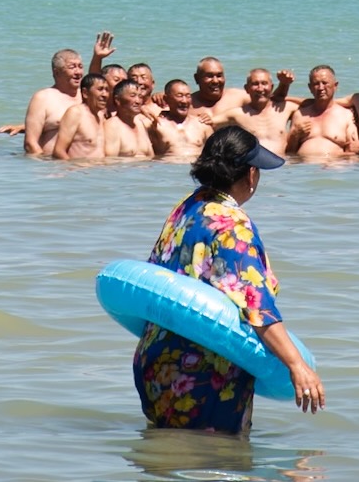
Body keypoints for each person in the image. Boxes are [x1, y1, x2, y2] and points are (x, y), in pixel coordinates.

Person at [133, 126, 324, 433]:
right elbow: (256, 305)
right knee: (221, 464)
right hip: (203, 373)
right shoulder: (232, 225)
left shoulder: (188, 206)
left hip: (156, 360)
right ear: (251, 175)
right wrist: (297, 365)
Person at [0, 32, 114, 142]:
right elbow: (31, 144)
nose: (78, 72)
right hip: (54, 162)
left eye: (80, 66)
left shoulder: (86, 96)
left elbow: (95, 83)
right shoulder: (44, 98)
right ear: (57, 72)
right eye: (72, 67)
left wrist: (97, 58)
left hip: (88, 161)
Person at [212, 69, 301, 157]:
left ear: (272, 87)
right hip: (254, 165)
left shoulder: (286, 108)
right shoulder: (237, 114)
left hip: (282, 166)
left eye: (264, 83)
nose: (260, 88)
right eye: (255, 84)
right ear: (247, 89)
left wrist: (285, 97)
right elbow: (209, 122)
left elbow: (312, 105)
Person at [292, 66, 359, 159]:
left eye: (325, 83)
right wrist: (295, 134)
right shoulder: (300, 115)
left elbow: (354, 151)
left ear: (335, 86)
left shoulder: (346, 115)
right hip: (304, 170)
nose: (320, 88)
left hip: (334, 169)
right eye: (316, 84)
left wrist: (334, 157)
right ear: (310, 87)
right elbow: (289, 152)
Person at [52, 73, 115, 159]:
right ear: (85, 93)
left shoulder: (101, 115)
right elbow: (59, 151)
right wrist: (72, 169)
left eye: (107, 90)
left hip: (100, 170)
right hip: (80, 170)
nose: (105, 94)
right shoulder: (75, 113)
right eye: (100, 89)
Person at [149, 79, 212, 159]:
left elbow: (214, 154)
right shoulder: (157, 125)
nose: (184, 101)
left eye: (188, 96)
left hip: (196, 169)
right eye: (179, 96)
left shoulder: (202, 124)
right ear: (166, 99)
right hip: (167, 169)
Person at [105, 79, 156, 158]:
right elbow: (109, 162)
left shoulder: (140, 124)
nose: (138, 101)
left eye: (140, 97)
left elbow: (151, 157)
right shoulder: (112, 126)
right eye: (133, 96)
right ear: (118, 100)